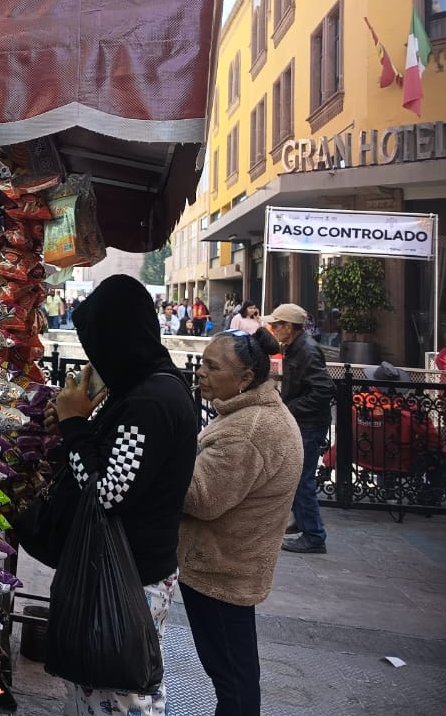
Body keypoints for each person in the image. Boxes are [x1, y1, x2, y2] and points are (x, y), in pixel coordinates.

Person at [20, 274, 200, 716]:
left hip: (127, 575)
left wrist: (76, 425)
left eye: (98, 342)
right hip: (123, 568)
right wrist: (74, 422)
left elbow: (106, 494)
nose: (94, 356)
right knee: (98, 691)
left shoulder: (152, 402)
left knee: (118, 695)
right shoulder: (141, 388)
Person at [179, 326, 302, 715]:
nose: (201, 372)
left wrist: (164, 457)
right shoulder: (250, 415)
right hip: (229, 564)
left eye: (213, 367)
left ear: (245, 378)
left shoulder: (248, 430)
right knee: (234, 675)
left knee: (233, 679)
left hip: (221, 570)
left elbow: (201, 498)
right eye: (202, 362)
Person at [264, 303, 334, 554]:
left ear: (288, 327)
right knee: (294, 475)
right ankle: (302, 522)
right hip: (302, 422)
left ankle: (314, 535)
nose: (272, 329)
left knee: (302, 478)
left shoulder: (307, 350)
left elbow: (323, 390)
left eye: (276, 325)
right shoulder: (295, 347)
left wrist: (292, 407)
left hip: (309, 425)